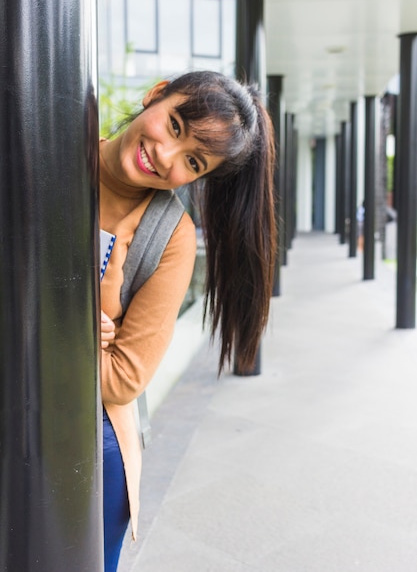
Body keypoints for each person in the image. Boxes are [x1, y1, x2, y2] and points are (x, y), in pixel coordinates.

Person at [99, 70, 276, 571]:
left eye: (192, 162)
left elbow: (123, 379)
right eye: (175, 125)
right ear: (157, 95)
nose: (165, 156)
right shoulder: (47, 150)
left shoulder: (170, 236)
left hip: (90, 442)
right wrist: (79, 323)